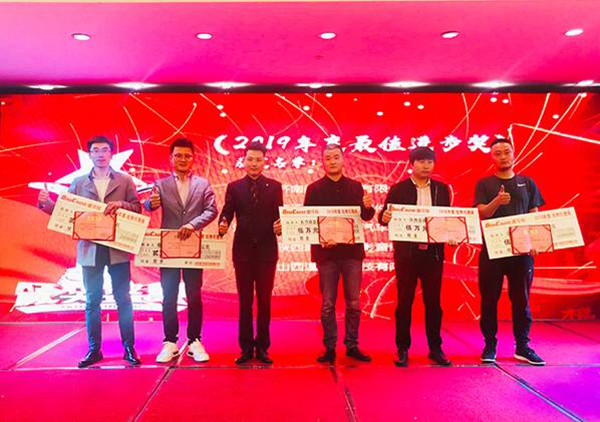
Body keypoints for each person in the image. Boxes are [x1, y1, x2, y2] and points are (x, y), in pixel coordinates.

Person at [38, 136, 142, 367]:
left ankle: (129, 348)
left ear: (111, 154)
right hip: (89, 248)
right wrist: (46, 203)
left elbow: (137, 209)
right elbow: (65, 214)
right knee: (92, 300)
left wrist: (122, 205)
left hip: (117, 247)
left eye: (105, 150)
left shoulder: (124, 180)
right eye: (96, 150)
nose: (101, 154)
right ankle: (94, 350)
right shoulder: (78, 182)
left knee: (124, 299)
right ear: (90, 155)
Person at [474, 138, 546, 365]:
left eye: (507, 152)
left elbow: (534, 214)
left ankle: (523, 346)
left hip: (522, 251)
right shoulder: (484, 184)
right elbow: (482, 213)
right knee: (489, 299)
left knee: (521, 299)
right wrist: (497, 201)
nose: (503, 156)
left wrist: (535, 241)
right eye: (498, 153)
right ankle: (489, 345)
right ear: (491, 157)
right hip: (492, 251)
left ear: (514, 154)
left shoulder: (527, 182)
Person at [145, 138, 218, 363]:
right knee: (169, 296)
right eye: (178, 155)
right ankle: (170, 342)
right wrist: (151, 203)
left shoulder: (203, 184)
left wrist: (192, 225)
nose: (183, 159)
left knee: (194, 295)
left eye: (187, 156)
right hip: (169, 248)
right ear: (171, 158)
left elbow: (212, 210)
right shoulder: (161, 184)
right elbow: (148, 205)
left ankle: (195, 340)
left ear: (193, 158)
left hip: (193, 246)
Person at [378, 147, 452, 367]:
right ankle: (402, 348)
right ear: (411, 164)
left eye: (430, 161)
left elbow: (447, 219)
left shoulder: (441, 189)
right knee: (404, 302)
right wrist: (385, 216)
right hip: (407, 255)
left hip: (433, 254)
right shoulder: (399, 189)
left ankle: (435, 348)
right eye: (421, 161)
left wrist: (452, 234)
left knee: (433, 302)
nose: (426, 165)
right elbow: (383, 217)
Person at [304, 143, 375, 363]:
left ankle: (352, 345)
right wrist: (322, 239)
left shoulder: (355, 187)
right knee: (328, 304)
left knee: (353, 302)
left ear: (343, 160)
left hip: (352, 254)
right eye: (328, 158)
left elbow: (366, 217)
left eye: (336, 157)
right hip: (326, 255)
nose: (332, 161)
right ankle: (329, 347)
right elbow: (307, 221)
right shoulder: (314, 189)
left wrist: (368, 207)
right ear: (322, 162)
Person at [218, 141, 283, 364]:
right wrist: (223, 223)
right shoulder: (234, 187)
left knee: (264, 301)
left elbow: (280, 216)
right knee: (245, 301)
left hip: (267, 252)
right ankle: (245, 348)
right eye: (250, 159)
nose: (254, 163)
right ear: (243, 161)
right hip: (243, 252)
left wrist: (281, 226)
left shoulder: (274, 187)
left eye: (258, 159)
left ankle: (263, 347)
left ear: (264, 162)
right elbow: (227, 212)